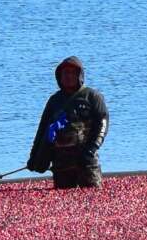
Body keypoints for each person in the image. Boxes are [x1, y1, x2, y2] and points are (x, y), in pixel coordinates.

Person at [25, 55, 109, 189]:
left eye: (72, 73)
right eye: (65, 73)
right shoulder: (54, 101)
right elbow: (42, 131)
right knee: (62, 200)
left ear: (79, 75)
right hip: (61, 163)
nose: (68, 76)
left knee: (92, 199)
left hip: (86, 161)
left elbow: (102, 124)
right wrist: (34, 158)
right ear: (59, 77)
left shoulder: (92, 97)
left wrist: (92, 148)